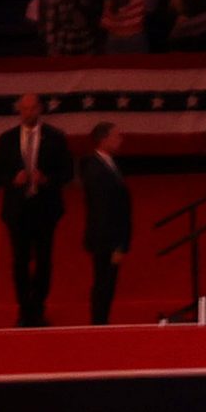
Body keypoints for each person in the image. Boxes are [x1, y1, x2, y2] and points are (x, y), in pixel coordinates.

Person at [0, 96, 73, 327]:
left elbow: (67, 173)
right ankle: (24, 308)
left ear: (39, 109)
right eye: (23, 109)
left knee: (44, 261)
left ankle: (38, 307)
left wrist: (47, 179)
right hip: (17, 211)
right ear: (19, 111)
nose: (27, 113)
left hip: (45, 210)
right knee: (19, 261)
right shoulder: (7, 139)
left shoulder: (56, 138)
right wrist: (12, 180)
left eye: (31, 108)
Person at [77, 124, 131, 325]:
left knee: (106, 283)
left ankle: (101, 320)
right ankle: (99, 322)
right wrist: (117, 244)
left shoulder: (106, 164)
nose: (120, 139)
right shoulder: (96, 169)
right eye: (116, 136)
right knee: (104, 283)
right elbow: (103, 210)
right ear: (103, 139)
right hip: (105, 240)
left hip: (107, 237)